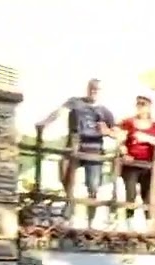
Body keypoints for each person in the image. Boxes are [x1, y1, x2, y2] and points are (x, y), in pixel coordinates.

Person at [37, 79, 115, 223]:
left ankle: (92, 219)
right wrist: (44, 123)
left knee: (93, 185)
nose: (94, 91)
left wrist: (108, 131)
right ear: (87, 88)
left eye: (97, 89)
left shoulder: (105, 111)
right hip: (74, 144)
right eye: (92, 88)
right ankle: (69, 201)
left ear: (102, 92)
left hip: (94, 149)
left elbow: (117, 133)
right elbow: (59, 112)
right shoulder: (75, 102)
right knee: (64, 171)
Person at [115, 95, 155, 227]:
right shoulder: (128, 122)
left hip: (148, 165)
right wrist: (124, 152)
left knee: (147, 196)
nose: (141, 106)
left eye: (144, 104)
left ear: (149, 107)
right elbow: (120, 140)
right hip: (132, 164)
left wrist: (147, 138)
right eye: (139, 104)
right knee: (130, 194)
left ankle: (148, 225)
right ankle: (129, 223)